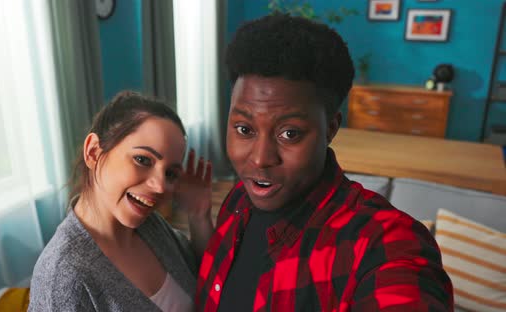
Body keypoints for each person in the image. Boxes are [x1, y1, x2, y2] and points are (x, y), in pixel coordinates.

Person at [195, 13, 453, 311]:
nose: (260, 158)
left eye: (290, 133)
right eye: (244, 129)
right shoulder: (239, 199)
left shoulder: (385, 244)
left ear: (331, 128)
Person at [29, 91, 212, 311]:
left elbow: (203, 275)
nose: (160, 186)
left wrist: (199, 215)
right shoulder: (64, 276)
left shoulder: (151, 226)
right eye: (143, 160)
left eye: (170, 174)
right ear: (93, 152)